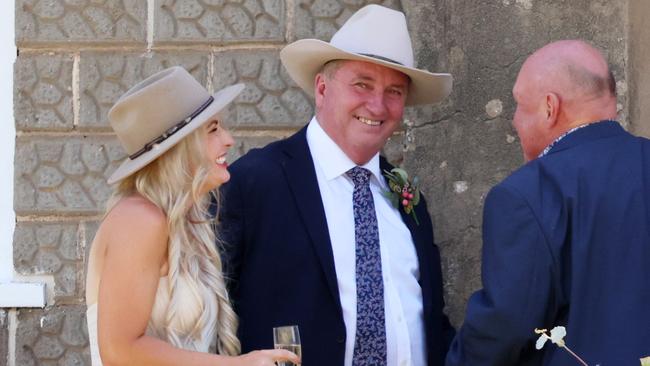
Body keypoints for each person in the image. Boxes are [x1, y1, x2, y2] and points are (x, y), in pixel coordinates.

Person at [219, 5, 455, 366]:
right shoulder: (256, 182)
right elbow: (203, 312)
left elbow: (429, 320)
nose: (377, 105)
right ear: (322, 87)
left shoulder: (409, 199)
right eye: (362, 84)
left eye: (394, 91)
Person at [446, 40, 650, 366]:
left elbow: (504, 328)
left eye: (518, 105)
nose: (513, 120)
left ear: (549, 108)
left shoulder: (526, 195)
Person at [85, 66, 300, 366]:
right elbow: (120, 351)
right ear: (177, 149)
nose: (229, 140)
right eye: (212, 129)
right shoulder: (140, 219)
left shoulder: (187, 222)